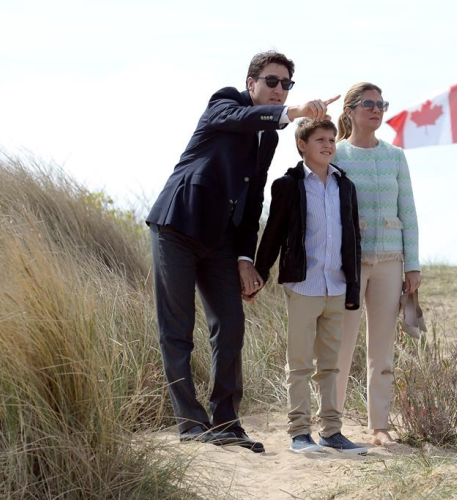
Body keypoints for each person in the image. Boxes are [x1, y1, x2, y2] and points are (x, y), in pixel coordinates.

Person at [146, 51, 338, 452]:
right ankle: (190, 423)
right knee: (177, 332)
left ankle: (226, 422)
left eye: (286, 84)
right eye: (272, 82)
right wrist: (293, 111)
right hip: (177, 227)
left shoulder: (268, 138)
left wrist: (245, 259)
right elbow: (239, 119)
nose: (279, 89)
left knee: (231, 326)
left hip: (220, 242)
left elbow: (252, 201)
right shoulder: (225, 102)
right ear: (251, 83)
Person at [254, 118, 366, 454]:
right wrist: (258, 274)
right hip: (302, 286)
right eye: (320, 139)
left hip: (337, 286)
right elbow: (272, 232)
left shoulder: (345, 185)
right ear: (302, 145)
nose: (329, 145)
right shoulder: (288, 185)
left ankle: (332, 432)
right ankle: (299, 433)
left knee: (330, 365)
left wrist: (354, 286)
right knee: (300, 364)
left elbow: (353, 240)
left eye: (332, 139)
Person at [333, 82, 421, 447]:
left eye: (381, 104)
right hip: (347, 264)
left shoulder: (396, 156)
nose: (377, 109)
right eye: (368, 104)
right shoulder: (335, 153)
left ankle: (379, 425)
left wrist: (412, 265)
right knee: (339, 345)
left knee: (382, 348)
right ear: (350, 110)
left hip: (390, 261)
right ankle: (330, 422)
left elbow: (409, 212)